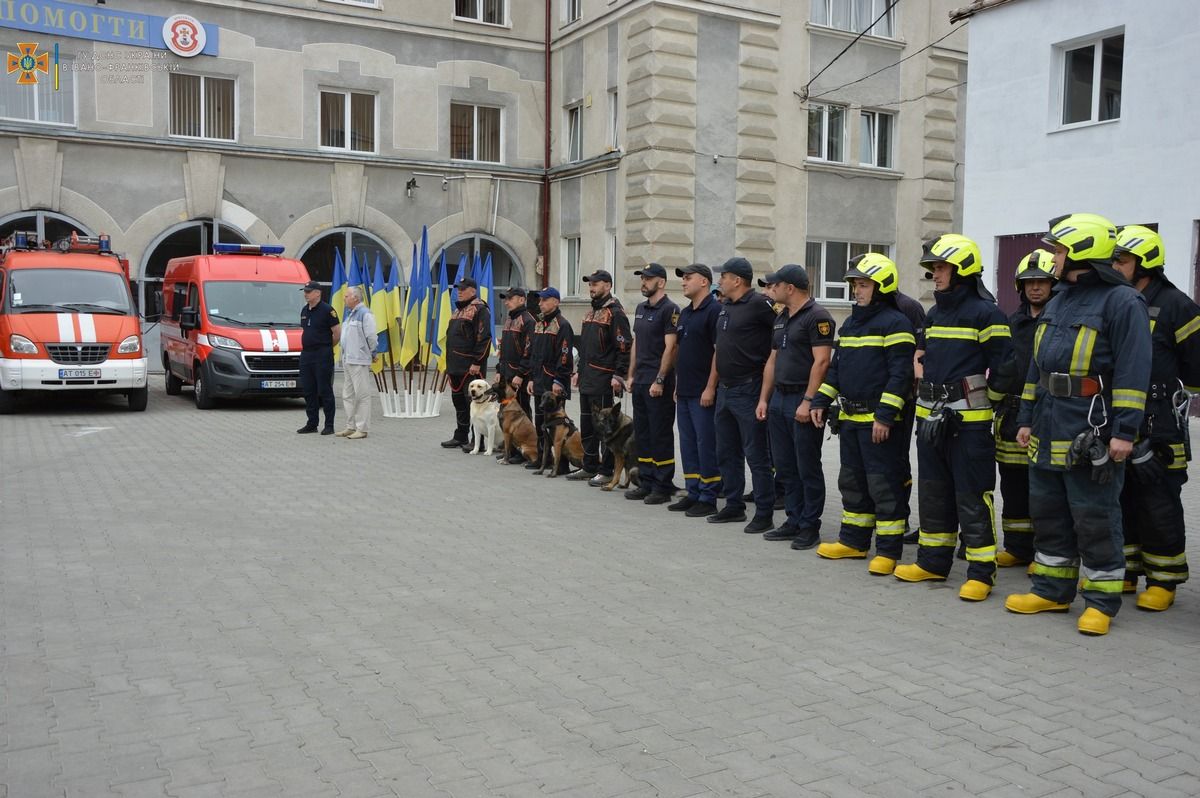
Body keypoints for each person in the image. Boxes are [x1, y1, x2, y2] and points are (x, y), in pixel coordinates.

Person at [1007, 213, 1151, 636]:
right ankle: (1051, 590)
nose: (1052, 258)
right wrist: (1026, 419)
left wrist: (1125, 431)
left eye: (1058, 250)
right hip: (1049, 423)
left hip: (1093, 427)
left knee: (1094, 514)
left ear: (1082, 251)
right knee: (1048, 511)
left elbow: (1133, 370)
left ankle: (1102, 600)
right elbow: (1037, 366)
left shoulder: (1122, 302)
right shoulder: (1058, 300)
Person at [894, 234, 1012, 602]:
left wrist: (983, 401)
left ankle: (980, 571)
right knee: (933, 493)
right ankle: (932, 562)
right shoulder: (935, 312)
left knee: (972, 496)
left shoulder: (987, 313)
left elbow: (1006, 368)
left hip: (970, 426)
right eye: (933, 269)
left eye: (941, 267)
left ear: (962, 270)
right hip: (930, 421)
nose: (935, 275)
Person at [1110, 225, 1199, 611]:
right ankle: (1128, 570)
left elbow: (1196, 366)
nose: (1115, 266)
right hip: (1121, 414)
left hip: (1161, 419)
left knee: (1159, 499)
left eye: (1123, 260)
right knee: (1122, 493)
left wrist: (1173, 399)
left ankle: (1164, 579)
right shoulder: (1118, 300)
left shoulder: (1177, 305)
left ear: (1146, 264)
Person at [811, 254, 916, 573]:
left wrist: (885, 416)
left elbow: (901, 375)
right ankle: (854, 542)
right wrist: (820, 401)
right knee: (852, 481)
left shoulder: (896, 323)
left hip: (879, 423)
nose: (857, 290)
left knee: (884, 485)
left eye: (863, 284)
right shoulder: (852, 323)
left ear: (882, 286)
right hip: (851, 421)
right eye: (855, 285)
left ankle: (888, 550)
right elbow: (837, 370)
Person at [755, 264, 834, 546]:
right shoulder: (781, 317)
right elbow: (773, 360)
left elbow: (822, 362)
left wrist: (809, 400)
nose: (770, 289)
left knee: (806, 465)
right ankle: (793, 518)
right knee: (785, 465)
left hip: (803, 398)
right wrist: (765, 398)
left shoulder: (818, 317)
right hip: (779, 399)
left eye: (775, 285)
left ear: (790, 288)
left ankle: (809, 525)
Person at [990, 249, 1057, 566]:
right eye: (1029, 282)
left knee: (1043, 489)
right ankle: (1017, 547)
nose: (1035, 288)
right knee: (1013, 483)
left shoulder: (1060, 322)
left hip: (1046, 413)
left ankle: (1044, 552)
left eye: (1042, 281)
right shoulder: (1011, 322)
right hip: (1012, 413)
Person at [708, 257, 778, 532]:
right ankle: (734, 506)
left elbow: (780, 336)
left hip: (749, 388)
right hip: (725, 389)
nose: (719, 281)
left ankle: (764, 512)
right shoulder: (725, 307)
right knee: (726, 451)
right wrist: (711, 385)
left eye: (723, 276)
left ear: (737, 280)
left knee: (756, 454)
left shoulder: (760, 304)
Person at [625, 263, 680, 504]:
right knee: (643, 435)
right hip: (640, 381)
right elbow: (636, 343)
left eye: (648, 279)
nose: (643, 282)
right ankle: (646, 481)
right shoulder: (640, 308)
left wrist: (660, 378)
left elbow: (671, 347)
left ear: (661, 282)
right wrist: (631, 374)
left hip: (659, 383)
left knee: (660, 435)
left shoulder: (670, 309)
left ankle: (663, 484)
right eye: (642, 278)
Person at [670, 264, 722, 517]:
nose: (683, 282)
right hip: (686, 390)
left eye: (688, 278)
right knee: (688, 443)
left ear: (704, 282)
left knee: (706, 444)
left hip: (704, 391)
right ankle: (693, 491)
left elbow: (718, 352)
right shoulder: (686, 313)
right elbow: (681, 352)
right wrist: (678, 385)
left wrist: (711, 387)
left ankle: (708, 495)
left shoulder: (715, 311)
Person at [573, 269, 632, 485]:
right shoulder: (590, 312)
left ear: (607, 286)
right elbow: (585, 348)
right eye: (590, 284)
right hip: (587, 377)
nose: (591, 287)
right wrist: (578, 371)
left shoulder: (615, 312)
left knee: (605, 427)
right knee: (588, 424)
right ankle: (589, 466)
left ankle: (607, 470)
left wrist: (619, 375)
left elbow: (624, 346)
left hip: (604, 378)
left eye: (595, 284)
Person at [440, 276, 492, 452]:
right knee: (459, 403)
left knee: (475, 403)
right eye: (458, 289)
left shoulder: (480, 309)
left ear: (473, 291)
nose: (459, 292)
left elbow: (484, 338)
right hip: (455, 365)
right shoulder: (458, 311)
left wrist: (477, 361)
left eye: (463, 289)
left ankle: (477, 441)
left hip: (470, 366)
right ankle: (460, 435)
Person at [526, 287, 574, 471]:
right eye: (540, 300)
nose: (541, 303)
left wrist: (559, 381)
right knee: (540, 423)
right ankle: (542, 458)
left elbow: (564, 355)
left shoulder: (562, 325)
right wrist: (531, 377)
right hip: (539, 380)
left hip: (553, 383)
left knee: (557, 426)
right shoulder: (539, 323)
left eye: (544, 300)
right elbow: (533, 353)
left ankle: (561, 463)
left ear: (555, 301)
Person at [894, 288, 927, 545]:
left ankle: (900, 515)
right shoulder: (867, 307)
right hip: (878, 396)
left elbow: (918, 353)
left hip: (903, 398)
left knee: (898, 460)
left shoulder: (909, 306)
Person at [335, 286, 378, 440]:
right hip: (348, 359)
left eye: (347, 296)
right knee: (348, 394)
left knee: (362, 395)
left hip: (359, 360)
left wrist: (372, 352)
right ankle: (350, 425)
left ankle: (362, 428)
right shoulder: (350, 314)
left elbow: (372, 336)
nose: (344, 298)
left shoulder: (365, 314)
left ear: (356, 298)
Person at [298, 280, 340, 434]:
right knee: (309, 390)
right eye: (305, 291)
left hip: (322, 354)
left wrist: (326, 347)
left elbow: (336, 333)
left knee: (324, 390)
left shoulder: (328, 310)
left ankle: (329, 425)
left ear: (317, 293)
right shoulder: (304, 310)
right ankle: (312, 423)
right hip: (307, 354)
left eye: (308, 292)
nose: (305, 294)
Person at [496, 287, 537, 424]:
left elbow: (529, 350)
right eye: (505, 299)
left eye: (510, 299)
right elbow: (504, 347)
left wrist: (521, 374)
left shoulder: (528, 320)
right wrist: (499, 370)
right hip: (506, 372)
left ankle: (527, 441)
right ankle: (510, 443)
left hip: (519, 375)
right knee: (506, 409)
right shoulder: (509, 319)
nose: (506, 302)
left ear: (521, 299)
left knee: (521, 410)